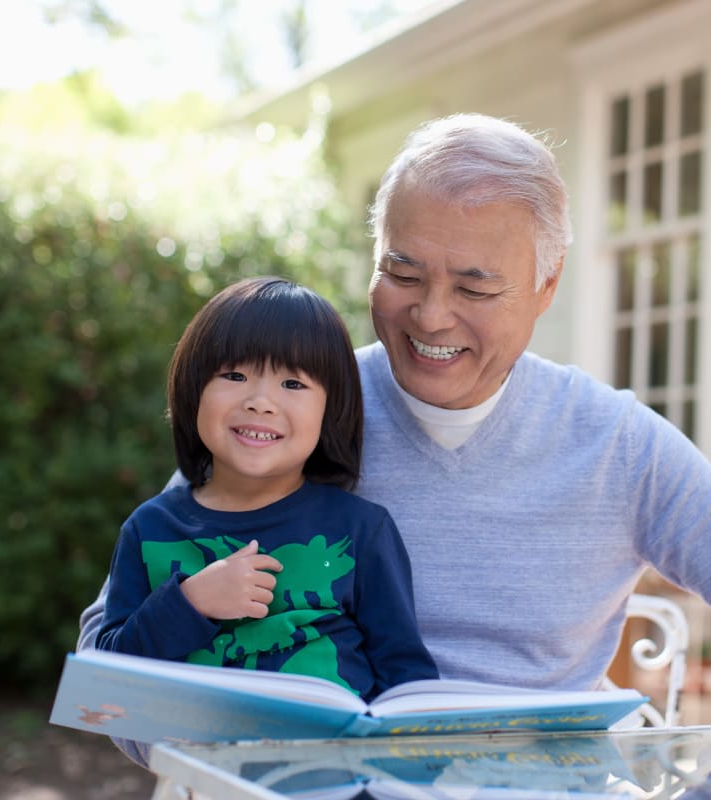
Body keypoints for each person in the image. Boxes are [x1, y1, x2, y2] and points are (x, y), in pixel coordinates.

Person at [79, 114, 711, 761]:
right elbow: (109, 674)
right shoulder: (282, 415)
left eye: (475, 285)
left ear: (546, 285)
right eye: (403, 274)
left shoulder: (619, 445)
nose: (432, 315)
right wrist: (213, 761)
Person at [93, 276, 438, 763]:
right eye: (234, 376)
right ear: (194, 390)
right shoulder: (151, 530)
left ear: (331, 409)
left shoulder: (361, 531)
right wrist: (191, 602)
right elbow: (106, 688)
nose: (260, 400)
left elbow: (404, 674)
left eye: (293, 383)